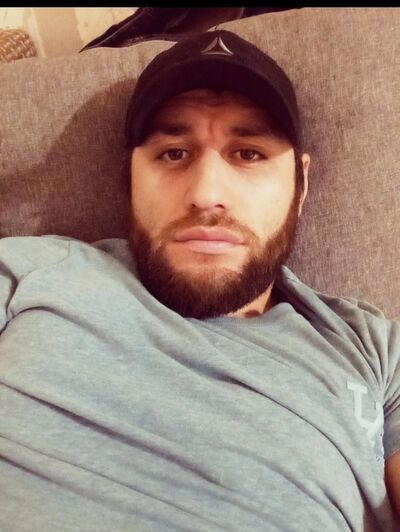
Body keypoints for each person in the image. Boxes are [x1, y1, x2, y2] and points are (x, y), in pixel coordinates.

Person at [1, 30, 399, 532]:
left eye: (248, 153)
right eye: (173, 153)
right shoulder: (31, 272)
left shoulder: (374, 349)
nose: (206, 194)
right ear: (129, 180)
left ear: (301, 185)